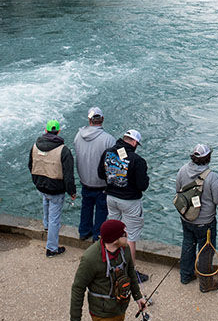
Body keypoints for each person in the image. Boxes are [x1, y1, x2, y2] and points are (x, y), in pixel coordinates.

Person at [68, 219, 147, 321]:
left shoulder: (125, 249)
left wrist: (138, 297)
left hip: (120, 307)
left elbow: (130, 273)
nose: (127, 234)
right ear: (115, 239)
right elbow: (78, 288)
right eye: (123, 233)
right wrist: (75, 318)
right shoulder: (90, 258)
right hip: (101, 312)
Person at [99, 129, 150, 283]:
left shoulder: (108, 152)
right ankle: (131, 273)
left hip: (111, 198)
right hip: (130, 201)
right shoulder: (137, 160)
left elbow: (101, 174)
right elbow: (143, 185)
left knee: (113, 232)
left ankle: (110, 264)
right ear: (134, 142)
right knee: (131, 236)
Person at [175, 144, 218, 291]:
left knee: (187, 245)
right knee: (205, 252)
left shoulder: (182, 170)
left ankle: (185, 276)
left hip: (186, 218)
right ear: (208, 158)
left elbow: (178, 190)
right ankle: (205, 284)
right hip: (205, 222)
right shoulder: (212, 177)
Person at [29, 119, 77, 257]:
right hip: (56, 188)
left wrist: (37, 181)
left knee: (46, 201)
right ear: (59, 131)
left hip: (41, 184)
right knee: (55, 218)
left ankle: (46, 225)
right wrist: (72, 191)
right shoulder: (64, 150)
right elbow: (68, 175)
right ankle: (51, 248)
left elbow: (30, 165)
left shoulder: (35, 146)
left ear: (46, 131)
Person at [74, 107, 116, 241]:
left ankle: (84, 232)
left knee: (86, 207)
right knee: (102, 210)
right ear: (102, 119)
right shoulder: (109, 139)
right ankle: (98, 236)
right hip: (101, 183)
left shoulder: (78, 136)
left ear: (89, 120)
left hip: (85, 180)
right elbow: (113, 165)